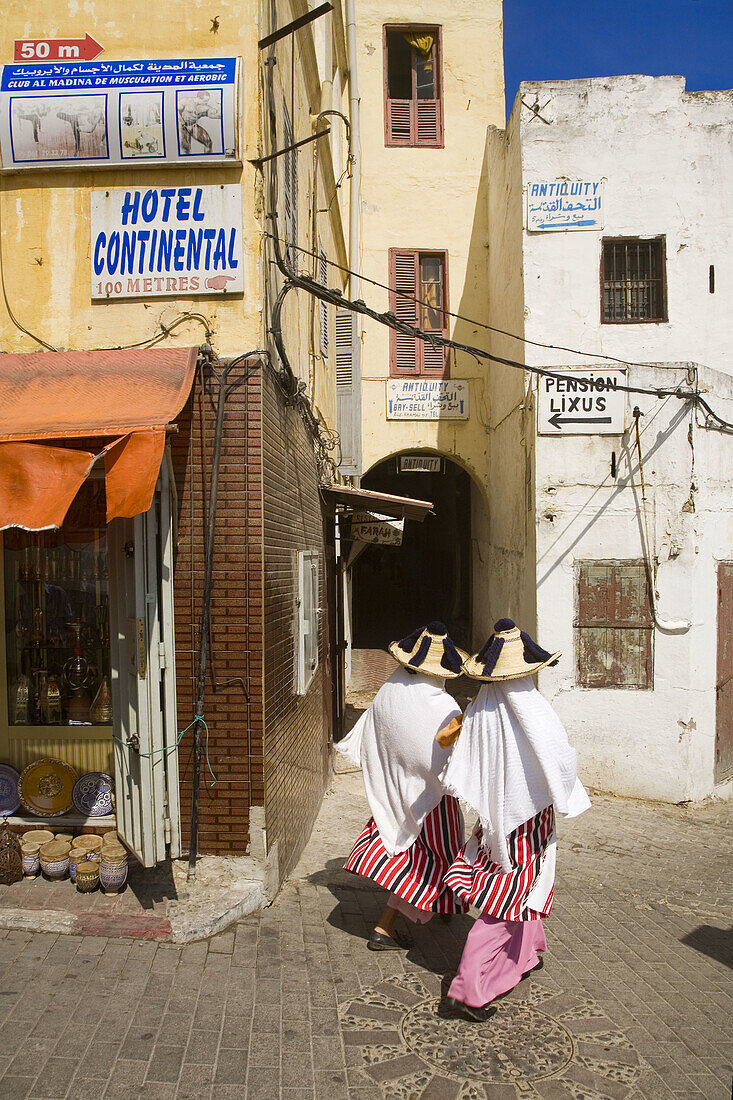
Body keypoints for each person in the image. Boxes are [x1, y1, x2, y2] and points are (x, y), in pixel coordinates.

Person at [439, 618, 591, 1021]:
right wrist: (566, 792)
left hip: (495, 818)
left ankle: (527, 952)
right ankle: (465, 990)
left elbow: (465, 758)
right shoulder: (533, 708)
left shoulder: (482, 708)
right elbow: (560, 760)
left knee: (522, 889)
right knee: (508, 897)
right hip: (526, 823)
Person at [336, 622, 469, 950]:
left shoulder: (389, 690)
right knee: (429, 859)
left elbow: (376, 734)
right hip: (429, 801)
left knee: (419, 856)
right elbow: (444, 759)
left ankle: (441, 905)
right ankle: (384, 928)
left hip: (394, 791)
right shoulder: (444, 707)